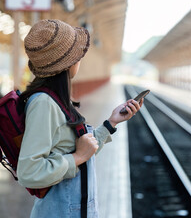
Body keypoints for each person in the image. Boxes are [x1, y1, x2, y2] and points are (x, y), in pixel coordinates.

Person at [17, 19, 143, 218]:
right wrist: (77, 157)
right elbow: (29, 172)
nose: (79, 60)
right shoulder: (44, 103)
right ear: (67, 63)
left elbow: (80, 148)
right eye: (76, 55)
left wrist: (111, 123)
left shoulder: (58, 100)